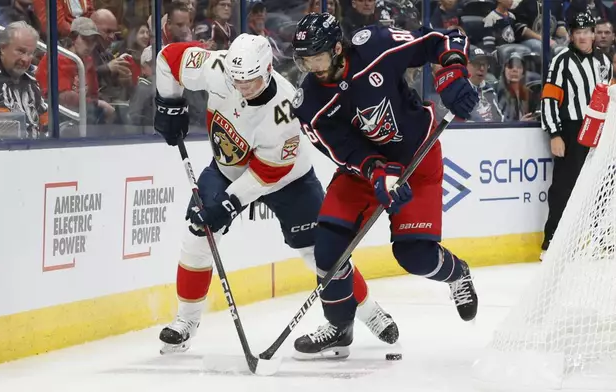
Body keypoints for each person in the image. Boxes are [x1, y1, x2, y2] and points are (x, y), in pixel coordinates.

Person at [153, 33, 399, 355]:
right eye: (237, 80)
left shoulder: (286, 107)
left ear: (268, 69)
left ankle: (369, 311)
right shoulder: (217, 67)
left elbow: (270, 171)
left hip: (288, 179)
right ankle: (185, 322)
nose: (242, 87)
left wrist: (229, 203)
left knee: (322, 254)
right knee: (199, 235)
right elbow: (168, 58)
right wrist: (169, 104)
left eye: (251, 81)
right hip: (227, 168)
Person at [289, 13, 480, 359]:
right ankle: (339, 326)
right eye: (303, 59)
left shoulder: (375, 46)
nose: (310, 67)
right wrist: (376, 170)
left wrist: (451, 70)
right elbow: (343, 150)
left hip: (418, 159)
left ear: (337, 48)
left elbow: (439, 39)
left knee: (415, 256)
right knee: (328, 246)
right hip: (365, 172)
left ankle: (457, 274)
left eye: (316, 57)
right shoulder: (310, 104)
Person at [541, 12, 612, 260]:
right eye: (578, 32)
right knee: (564, 187)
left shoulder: (605, 61)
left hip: (600, 131)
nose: (583, 36)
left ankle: (600, 238)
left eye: (587, 31)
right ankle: (552, 241)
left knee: (602, 186)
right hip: (572, 130)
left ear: (594, 34)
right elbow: (549, 98)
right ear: (571, 35)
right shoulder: (562, 61)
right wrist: (555, 133)